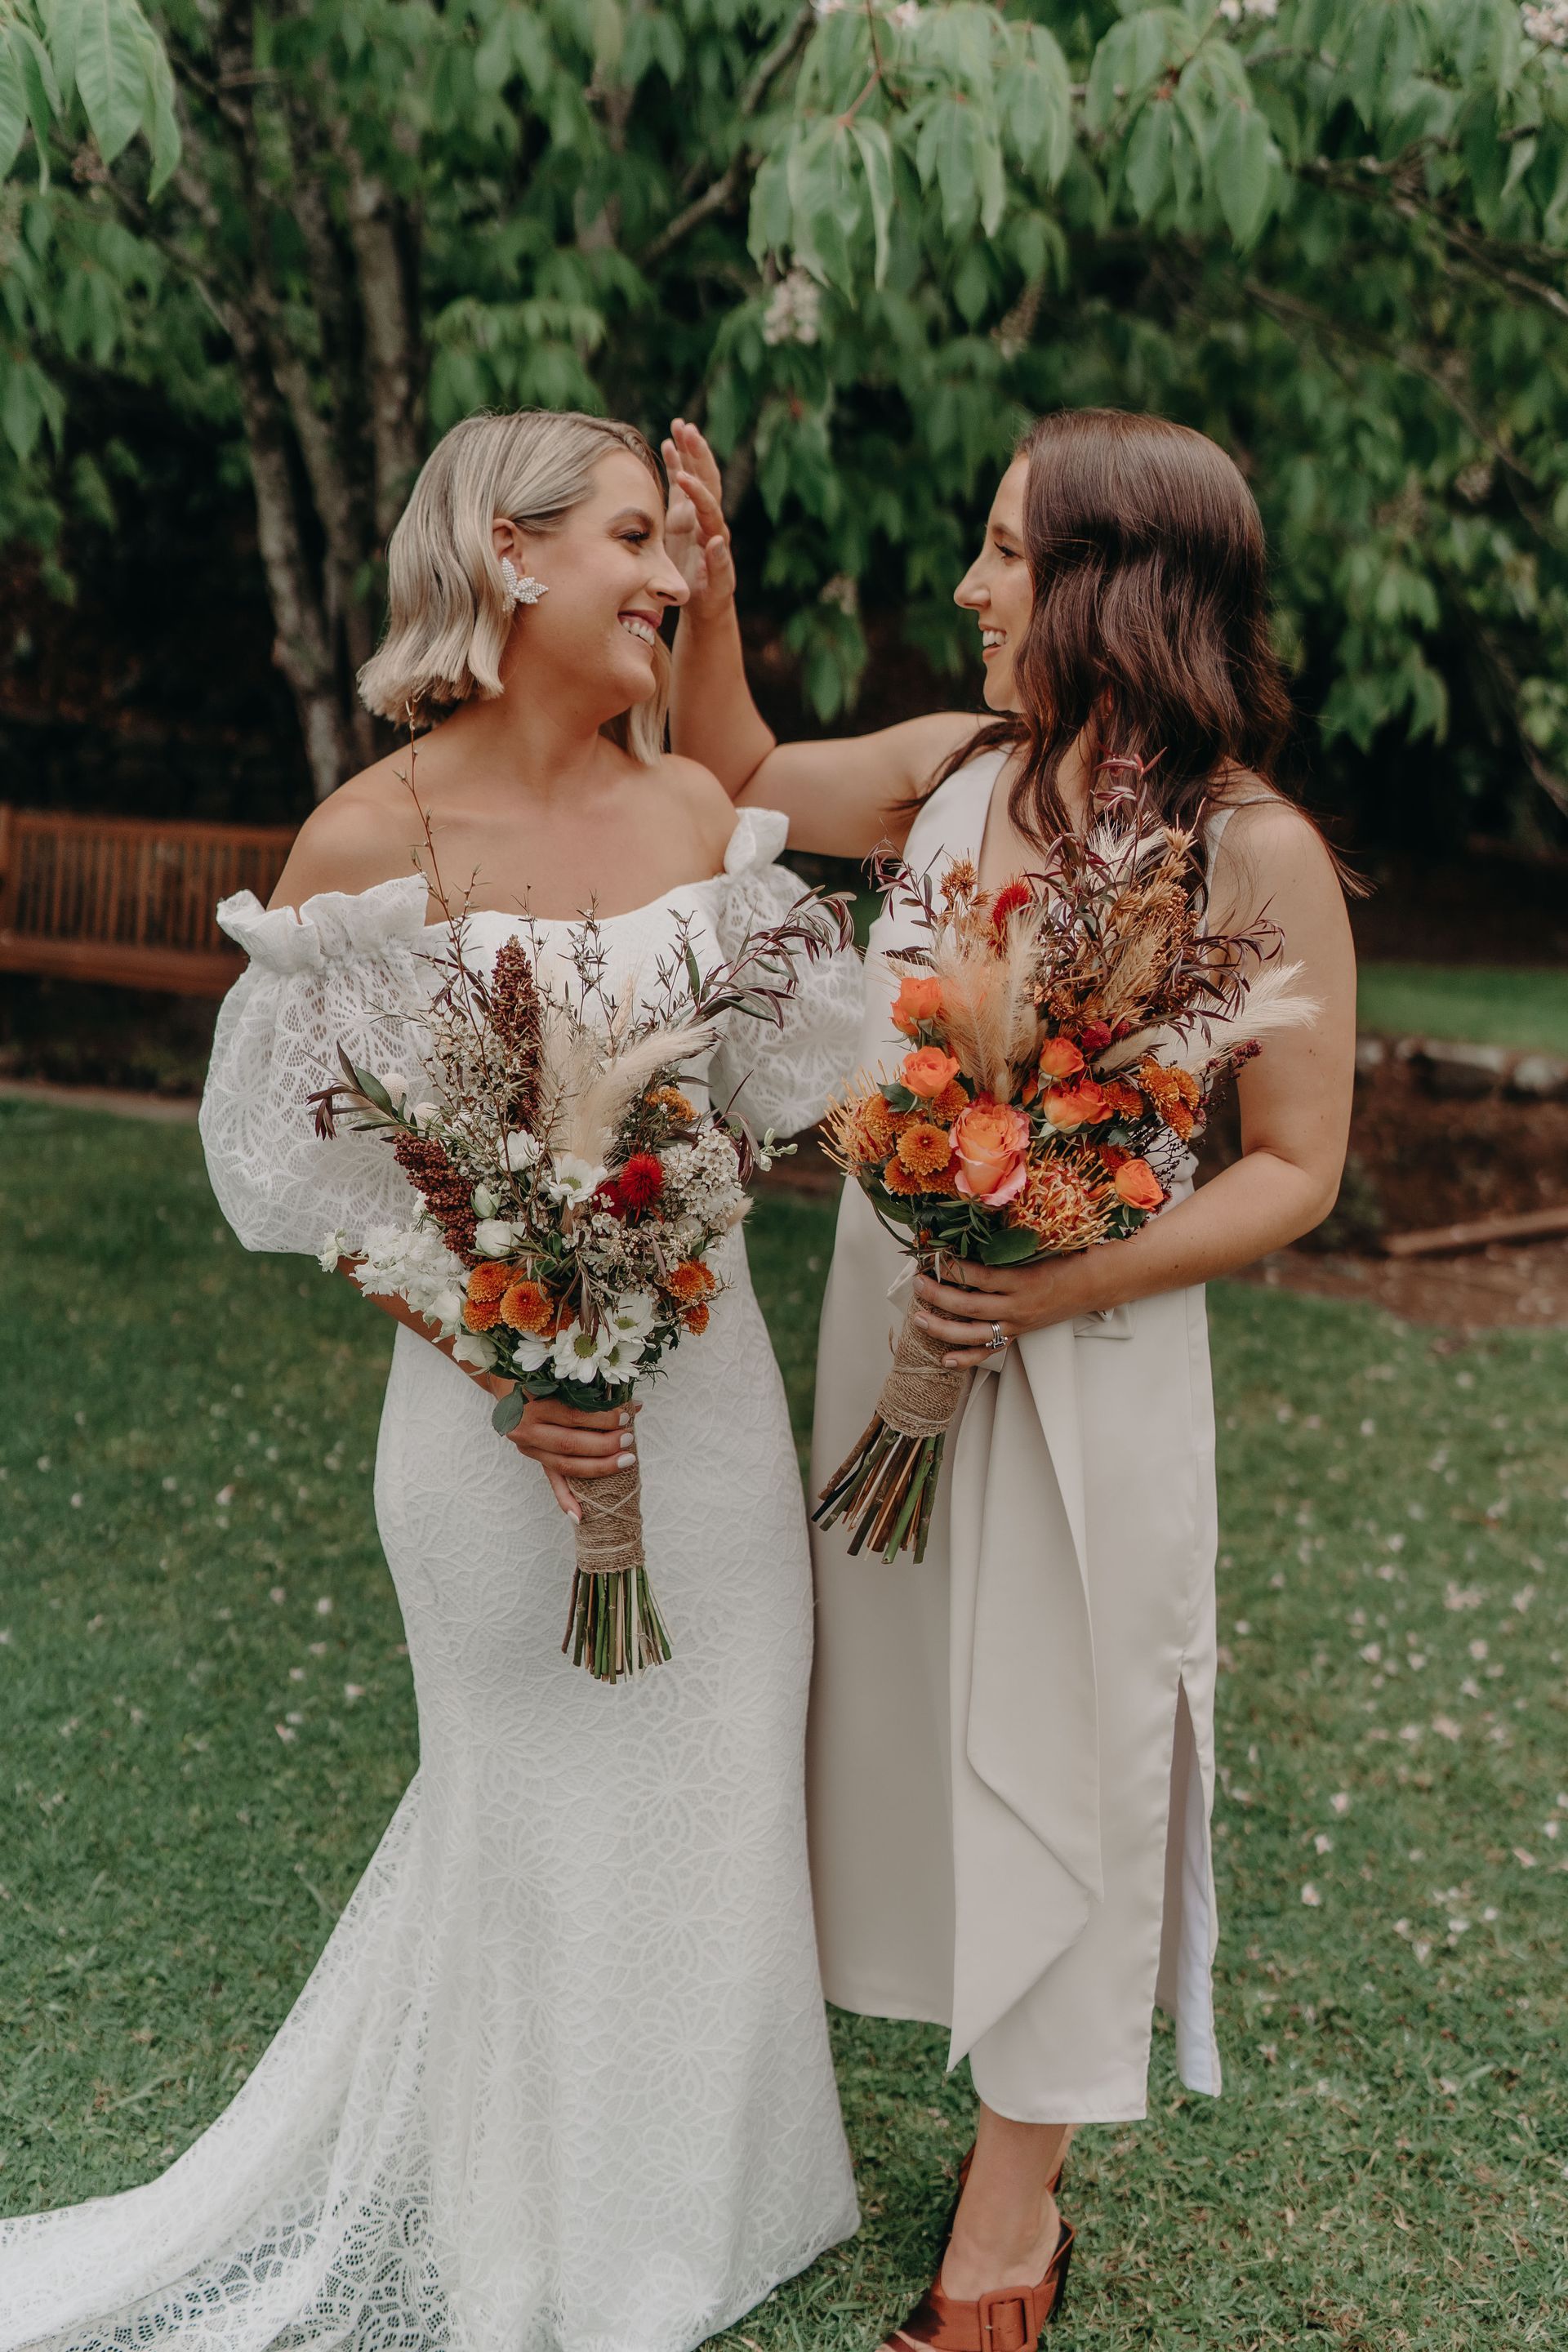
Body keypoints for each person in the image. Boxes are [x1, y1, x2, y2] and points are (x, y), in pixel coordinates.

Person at [0, 410, 863, 2352]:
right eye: (637, 541)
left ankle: (711, 2211)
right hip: (488, 1440)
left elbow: (801, 1099)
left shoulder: (694, 826)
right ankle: (539, 2248)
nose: (670, 576)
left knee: (715, 1780)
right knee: (538, 1809)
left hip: (708, 1417)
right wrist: (516, 1359)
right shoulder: (374, 841)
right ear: (512, 561)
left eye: (674, 547)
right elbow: (303, 1174)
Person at [666, 406, 1356, 2348]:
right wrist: (708, 592)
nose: (970, 590)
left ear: (1112, 587)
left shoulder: (1254, 850)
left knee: (1068, 1746)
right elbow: (734, 765)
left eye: (1002, 553)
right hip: (898, 1334)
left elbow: (1298, 1170)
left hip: (1090, 1366)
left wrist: (1050, 1288)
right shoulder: (951, 770)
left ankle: (1009, 2233)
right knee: (889, 1721)